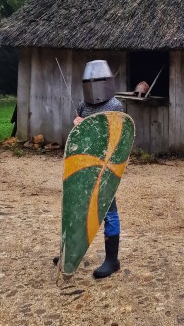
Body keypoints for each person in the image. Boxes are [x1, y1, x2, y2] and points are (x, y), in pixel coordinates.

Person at [55, 59, 124, 279]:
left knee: (108, 212)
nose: (94, 85)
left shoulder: (115, 106)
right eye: (90, 81)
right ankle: (71, 253)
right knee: (76, 207)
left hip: (104, 166)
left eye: (98, 80)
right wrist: (78, 123)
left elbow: (110, 138)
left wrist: (85, 124)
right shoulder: (83, 106)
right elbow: (80, 138)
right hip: (84, 164)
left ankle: (112, 260)